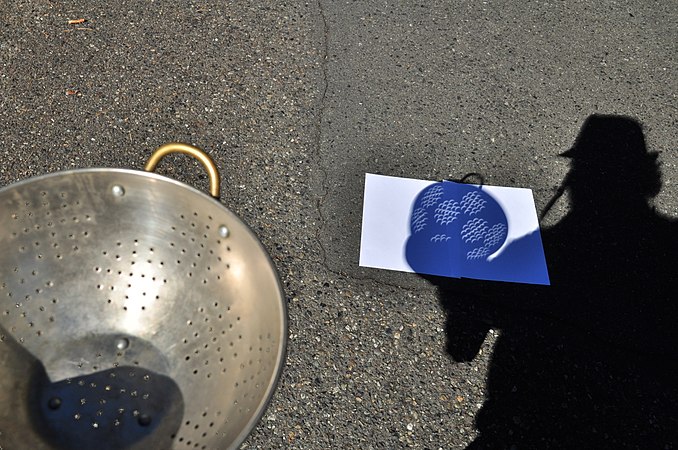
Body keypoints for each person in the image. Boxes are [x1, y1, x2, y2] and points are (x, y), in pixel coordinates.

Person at [429, 115, 678, 448]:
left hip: (529, 434)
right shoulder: (671, 250)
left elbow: (461, 346)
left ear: (578, 182)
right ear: (647, 180)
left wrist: (459, 274)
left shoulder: (537, 257)